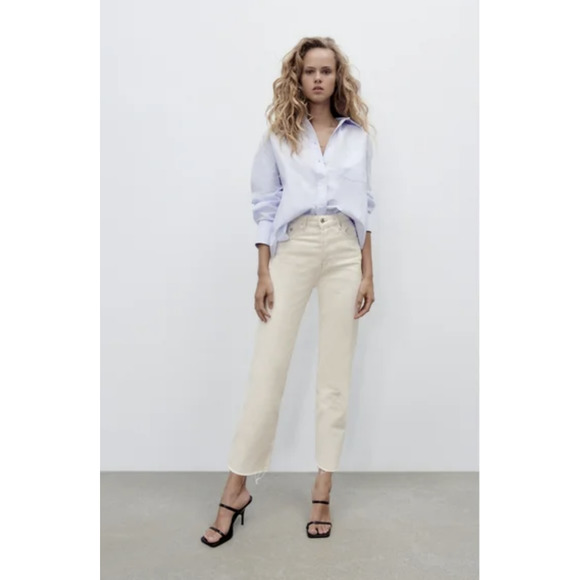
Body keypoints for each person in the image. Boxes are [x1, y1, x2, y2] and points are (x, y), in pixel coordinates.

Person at [201, 36, 376, 547]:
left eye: (326, 70)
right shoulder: (279, 135)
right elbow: (265, 203)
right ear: (297, 78)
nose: (318, 78)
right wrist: (264, 270)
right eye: (309, 71)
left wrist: (368, 272)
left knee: (335, 376)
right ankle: (236, 488)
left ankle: (323, 488)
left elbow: (366, 206)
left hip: (344, 249)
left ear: (337, 77)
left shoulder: (356, 136)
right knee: (268, 371)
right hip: (294, 247)